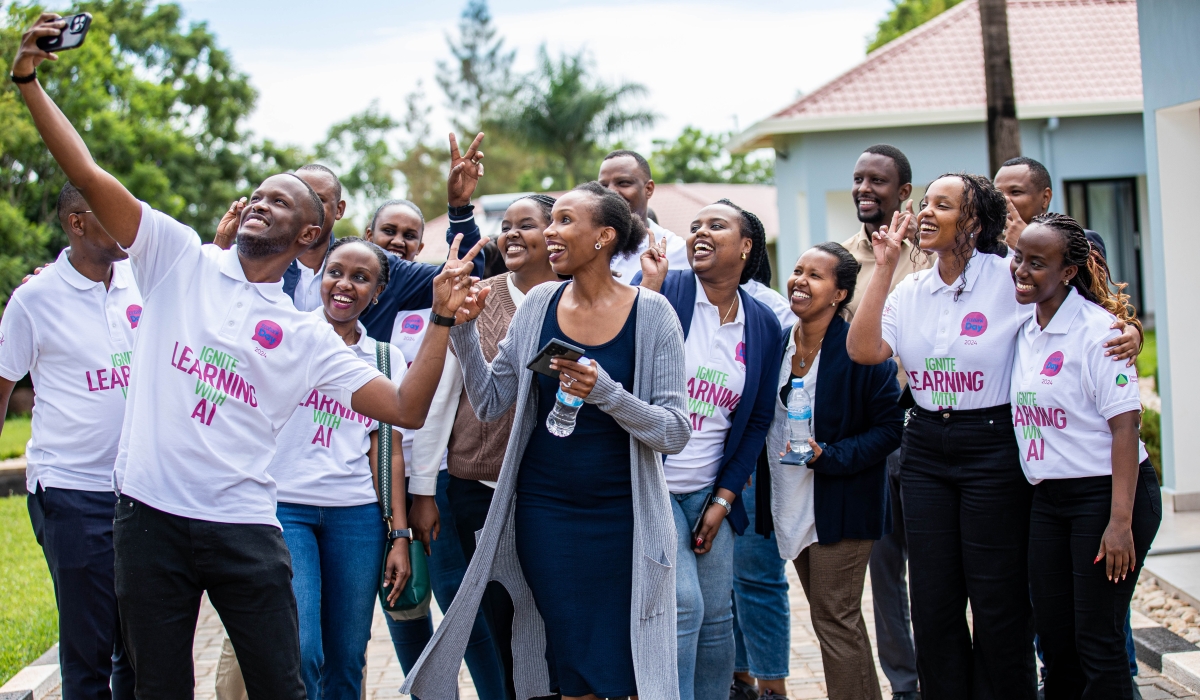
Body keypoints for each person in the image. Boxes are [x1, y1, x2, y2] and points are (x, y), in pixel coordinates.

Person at [11, 15, 483, 696]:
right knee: (157, 686)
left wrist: (441, 316)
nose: (261, 204)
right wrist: (27, 80)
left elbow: (407, 407)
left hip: (243, 525)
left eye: (281, 202)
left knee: (283, 682)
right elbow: (85, 169)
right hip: (147, 519)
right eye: (258, 194)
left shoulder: (304, 332)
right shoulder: (176, 258)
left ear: (311, 231)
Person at [845, 173, 1143, 699]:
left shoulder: (1010, 275)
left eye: (944, 204)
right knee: (934, 602)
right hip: (925, 452)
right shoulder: (911, 289)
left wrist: (1130, 330)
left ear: (974, 220)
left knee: (997, 600)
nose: (927, 213)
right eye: (926, 204)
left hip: (994, 446)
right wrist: (887, 264)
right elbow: (865, 351)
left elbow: (1078, 298)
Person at [401, 182, 690, 700]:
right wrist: (464, 331)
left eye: (564, 222)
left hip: (625, 517)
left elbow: (673, 432)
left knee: (622, 664)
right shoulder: (538, 303)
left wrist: (607, 394)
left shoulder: (653, 315)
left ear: (603, 236)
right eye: (550, 223)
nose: (550, 233)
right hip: (545, 511)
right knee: (567, 657)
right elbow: (491, 402)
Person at [362, 148, 509, 700]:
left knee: (459, 604)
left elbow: (477, 262)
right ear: (367, 233)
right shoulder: (344, 302)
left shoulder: (433, 297)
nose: (397, 243)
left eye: (408, 235)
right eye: (387, 232)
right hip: (370, 483)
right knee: (404, 604)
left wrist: (460, 206)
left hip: (436, 476)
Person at [995, 156, 1143, 695]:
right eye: (1019, 260)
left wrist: (1119, 522)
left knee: (1097, 641)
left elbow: (1125, 429)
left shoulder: (1099, 332)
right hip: (1047, 500)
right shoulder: (1023, 325)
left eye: (1037, 263)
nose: (1022, 271)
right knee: (1054, 641)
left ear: (1069, 271)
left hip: (1104, 497)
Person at [411, 193, 561, 698]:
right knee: (499, 621)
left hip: (555, 495)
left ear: (556, 234)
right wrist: (424, 488)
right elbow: (440, 398)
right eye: (506, 225)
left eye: (528, 224)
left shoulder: (577, 301)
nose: (512, 233)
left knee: (552, 622)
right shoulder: (478, 297)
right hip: (481, 488)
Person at [635, 200, 784, 700]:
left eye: (716, 226)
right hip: (654, 482)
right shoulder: (666, 291)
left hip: (709, 489)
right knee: (686, 607)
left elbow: (758, 418)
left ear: (745, 247)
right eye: (695, 226)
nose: (699, 232)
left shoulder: (762, 323)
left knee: (720, 615)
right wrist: (647, 291)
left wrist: (723, 500)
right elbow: (623, 364)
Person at [0, 182, 137, 700]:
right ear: (77, 224)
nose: (127, 221)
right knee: (88, 651)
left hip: (141, 492)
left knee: (141, 647)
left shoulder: (141, 281)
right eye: (110, 212)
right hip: (71, 493)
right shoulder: (34, 299)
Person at [261, 236, 411, 700]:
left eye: (361, 278)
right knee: (302, 648)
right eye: (335, 272)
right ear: (319, 278)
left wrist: (399, 536)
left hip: (356, 516)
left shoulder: (386, 358)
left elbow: (387, 449)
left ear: (378, 293)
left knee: (348, 657)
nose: (344, 285)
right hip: (286, 509)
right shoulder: (283, 335)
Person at [761, 242, 902, 700]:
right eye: (798, 270)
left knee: (834, 621)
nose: (799, 280)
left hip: (841, 504)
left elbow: (889, 429)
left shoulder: (860, 348)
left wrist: (831, 456)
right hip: (790, 495)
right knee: (834, 621)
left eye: (815, 276)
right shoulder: (781, 341)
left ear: (839, 293)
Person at [842, 144, 929, 700]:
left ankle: (949, 673)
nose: (864, 189)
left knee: (936, 567)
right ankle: (906, 685)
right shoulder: (843, 260)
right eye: (858, 179)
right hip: (874, 436)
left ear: (904, 193)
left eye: (878, 180)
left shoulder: (932, 254)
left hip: (925, 425)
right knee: (884, 574)